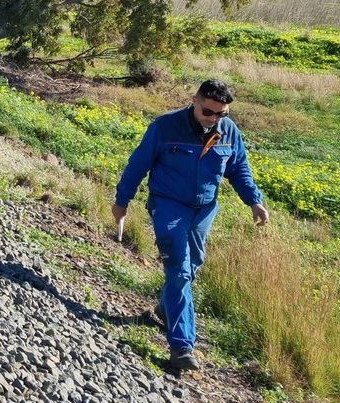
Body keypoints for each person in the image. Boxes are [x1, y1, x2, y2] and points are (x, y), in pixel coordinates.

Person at [112, 80, 270, 371]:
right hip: (168, 204)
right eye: (210, 112)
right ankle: (182, 347)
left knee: (193, 264)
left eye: (222, 114)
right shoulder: (165, 127)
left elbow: (239, 169)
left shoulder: (228, 131)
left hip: (204, 209)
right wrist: (122, 202)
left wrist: (254, 201)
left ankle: (165, 307)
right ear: (194, 100)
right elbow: (138, 165)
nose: (215, 119)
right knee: (180, 271)